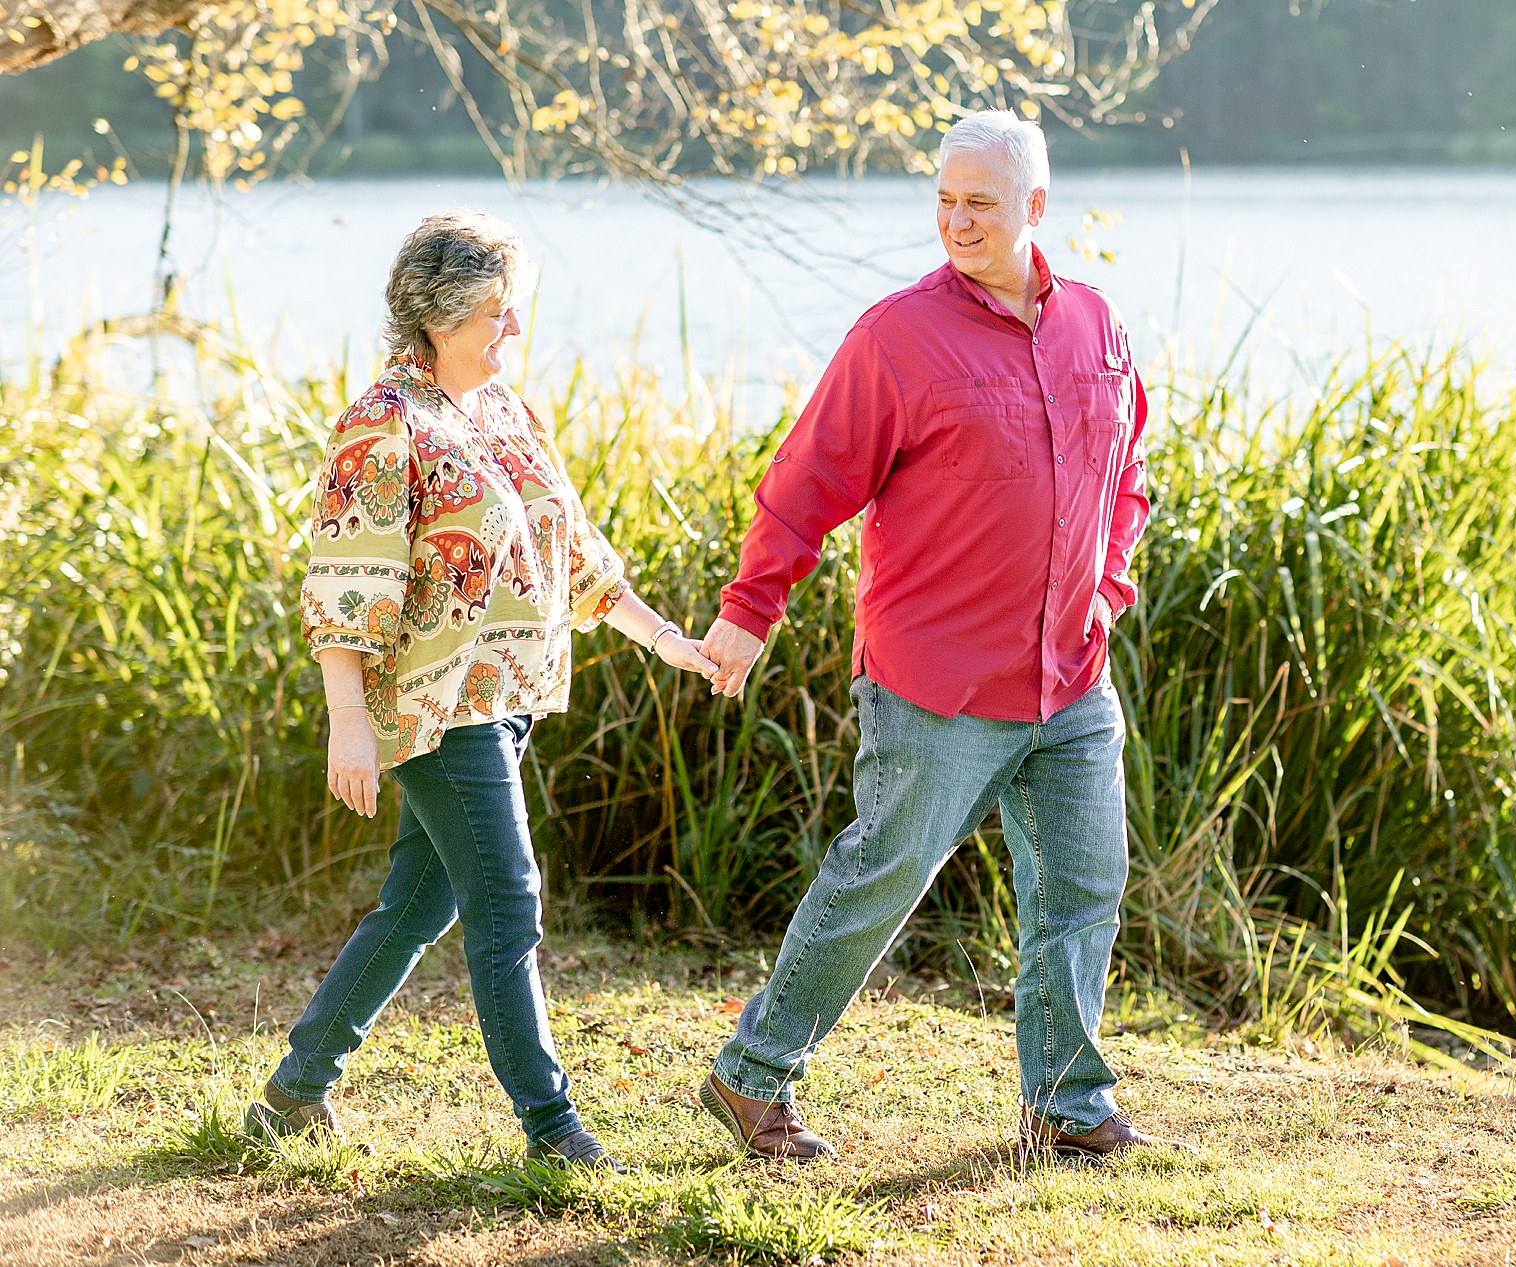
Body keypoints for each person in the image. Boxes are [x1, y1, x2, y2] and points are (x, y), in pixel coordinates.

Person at [693, 111, 1174, 1162]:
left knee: (1085, 885)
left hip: (1071, 677)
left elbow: (1125, 473)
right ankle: (751, 1076)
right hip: (936, 683)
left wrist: (1108, 586)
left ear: (1034, 209)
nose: (957, 220)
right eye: (945, 200)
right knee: (881, 881)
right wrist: (747, 612)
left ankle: (1065, 1102)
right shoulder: (896, 337)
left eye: (981, 203)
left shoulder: (1096, 323)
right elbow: (803, 485)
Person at [247, 209, 717, 1171]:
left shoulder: (505, 412)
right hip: (434, 706)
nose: (514, 332)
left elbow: (577, 554)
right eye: (499, 314)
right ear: (441, 315)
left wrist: (665, 639)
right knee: (507, 897)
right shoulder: (385, 425)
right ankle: (554, 1131)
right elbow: (347, 585)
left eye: (516, 312)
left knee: (419, 904)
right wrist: (350, 727)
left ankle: (295, 1091)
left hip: (508, 698)